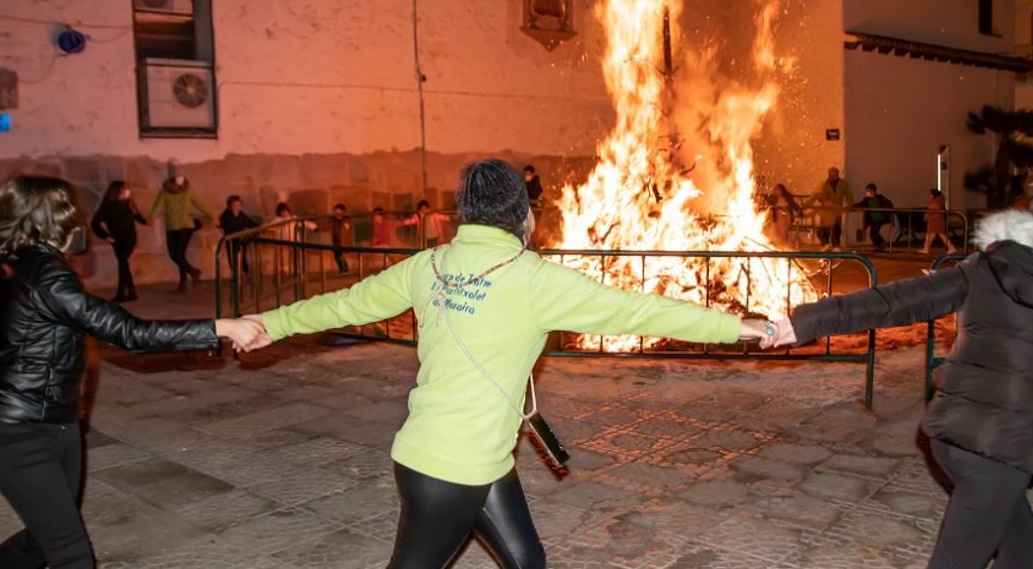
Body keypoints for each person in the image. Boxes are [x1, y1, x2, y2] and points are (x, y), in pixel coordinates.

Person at [236, 158, 777, 569]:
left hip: (479, 461)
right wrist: (743, 328)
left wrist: (271, 322)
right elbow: (641, 311)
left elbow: (344, 304)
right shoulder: (535, 279)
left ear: (463, 213)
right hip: (447, 472)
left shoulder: (427, 265)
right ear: (525, 214)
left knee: (528, 563)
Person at [764, 174, 1033, 569]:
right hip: (1000, 453)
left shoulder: (986, 269)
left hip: (953, 436)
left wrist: (802, 322)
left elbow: (890, 301)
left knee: (1024, 546)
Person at [0, 175, 265, 569]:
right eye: (69, 214)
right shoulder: (46, 276)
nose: (77, 224)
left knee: (41, 541)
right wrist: (220, 327)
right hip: (20, 430)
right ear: (52, 220)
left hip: (56, 422)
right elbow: (130, 332)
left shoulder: (24, 267)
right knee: (72, 555)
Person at [147, 159, 212, 293]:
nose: (180, 178)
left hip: (186, 226)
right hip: (171, 226)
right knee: (174, 254)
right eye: (177, 176)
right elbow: (157, 205)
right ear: (171, 178)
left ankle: (184, 282)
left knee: (179, 254)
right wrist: (151, 217)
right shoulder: (164, 191)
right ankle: (193, 272)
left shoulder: (188, 190)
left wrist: (212, 216)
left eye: (181, 176)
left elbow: (199, 203)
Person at [90, 181, 147, 302]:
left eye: (127, 189)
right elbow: (95, 223)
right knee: (124, 264)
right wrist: (105, 236)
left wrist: (145, 222)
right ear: (116, 192)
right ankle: (131, 291)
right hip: (116, 240)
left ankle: (121, 293)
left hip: (130, 239)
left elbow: (137, 216)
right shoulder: (107, 206)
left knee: (122, 262)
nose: (127, 191)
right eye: (124, 189)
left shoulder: (129, 204)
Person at [805, 167, 854, 251]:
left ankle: (836, 245)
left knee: (836, 228)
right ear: (829, 175)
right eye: (832, 175)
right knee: (823, 229)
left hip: (838, 210)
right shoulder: (824, 184)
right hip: (826, 210)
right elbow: (815, 194)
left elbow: (849, 194)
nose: (834, 177)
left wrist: (850, 205)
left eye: (835, 175)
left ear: (838, 174)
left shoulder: (843, 184)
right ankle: (826, 244)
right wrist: (806, 204)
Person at [219, 195, 260, 278]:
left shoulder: (241, 214)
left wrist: (260, 226)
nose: (237, 207)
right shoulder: (226, 215)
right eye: (235, 205)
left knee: (242, 257)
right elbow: (222, 223)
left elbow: (249, 223)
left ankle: (245, 272)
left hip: (240, 240)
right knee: (232, 258)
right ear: (230, 205)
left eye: (239, 205)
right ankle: (235, 275)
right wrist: (219, 224)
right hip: (231, 240)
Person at [851, 183, 893, 252]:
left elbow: (889, 203)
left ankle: (881, 244)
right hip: (873, 220)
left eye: (868, 191)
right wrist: (851, 207)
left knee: (874, 233)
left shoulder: (880, 198)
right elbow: (860, 204)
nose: (866, 193)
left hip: (880, 219)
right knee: (873, 233)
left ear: (873, 191)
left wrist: (888, 211)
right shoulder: (866, 200)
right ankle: (880, 244)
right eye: (866, 191)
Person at [922, 189, 957, 254]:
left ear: (934, 195)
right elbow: (930, 211)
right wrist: (927, 215)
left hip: (937, 222)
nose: (929, 195)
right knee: (930, 235)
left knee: (941, 235)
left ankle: (951, 248)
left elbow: (938, 213)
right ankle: (926, 248)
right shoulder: (932, 202)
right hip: (933, 222)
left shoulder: (938, 202)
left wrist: (930, 216)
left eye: (930, 194)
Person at [330, 203, 352, 274]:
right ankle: (342, 268)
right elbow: (330, 227)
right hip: (336, 242)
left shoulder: (346, 220)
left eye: (339, 211)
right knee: (337, 256)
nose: (337, 213)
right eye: (335, 211)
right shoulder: (334, 220)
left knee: (340, 255)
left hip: (343, 242)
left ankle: (344, 268)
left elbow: (347, 229)